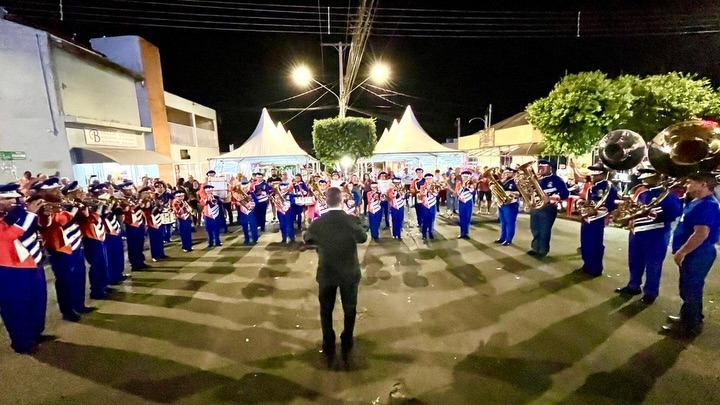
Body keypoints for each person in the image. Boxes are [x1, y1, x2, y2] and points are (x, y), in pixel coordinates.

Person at [303, 186, 368, 367]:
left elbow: (308, 239)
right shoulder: (351, 220)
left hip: (327, 272)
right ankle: (347, 339)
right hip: (349, 272)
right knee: (350, 308)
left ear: (326, 201)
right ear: (341, 200)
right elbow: (363, 237)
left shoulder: (318, 222)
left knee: (326, 309)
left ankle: (328, 341)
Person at [662, 172, 720, 337]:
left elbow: (701, 233)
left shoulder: (707, 205)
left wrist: (682, 251)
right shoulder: (697, 201)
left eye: (690, 182)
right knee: (688, 289)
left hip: (698, 253)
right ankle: (688, 318)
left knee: (691, 289)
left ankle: (690, 326)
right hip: (695, 253)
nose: (686, 185)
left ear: (703, 184)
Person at [615, 168, 682, 304]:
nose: (644, 180)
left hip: (656, 234)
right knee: (634, 261)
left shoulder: (668, 196)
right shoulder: (642, 192)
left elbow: (673, 214)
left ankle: (650, 293)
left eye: (648, 177)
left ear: (659, 177)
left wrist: (650, 212)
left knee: (653, 265)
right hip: (637, 233)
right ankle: (633, 286)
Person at [0, 183, 47, 354]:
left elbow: (39, 228)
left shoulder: (15, 214)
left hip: (32, 263)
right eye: (7, 199)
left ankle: (34, 334)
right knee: (15, 306)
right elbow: (8, 236)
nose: (13, 202)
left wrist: (39, 214)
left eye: (14, 198)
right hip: (8, 268)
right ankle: (21, 342)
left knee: (36, 301)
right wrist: (30, 214)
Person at [576, 163, 619, 277]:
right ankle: (587, 264)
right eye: (593, 175)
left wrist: (597, 211)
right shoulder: (592, 187)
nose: (593, 177)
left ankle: (596, 268)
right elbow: (588, 200)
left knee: (595, 244)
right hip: (587, 218)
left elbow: (611, 205)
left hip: (597, 218)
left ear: (603, 175)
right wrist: (582, 205)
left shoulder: (609, 187)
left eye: (596, 175)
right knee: (585, 243)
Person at [528, 159, 570, 258]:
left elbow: (565, 194)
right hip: (536, 207)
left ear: (550, 168)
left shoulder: (557, 179)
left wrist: (551, 198)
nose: (540, 169)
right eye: (539, 167)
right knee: (534, 228)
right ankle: (535, 248)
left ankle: (543, 250)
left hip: (548, 208)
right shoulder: (536, 180)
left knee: (544, 230)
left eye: (543, 167)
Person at [496, 167, 520, 245]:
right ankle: (502, 237)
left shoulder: (516, 181)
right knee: (503, 222)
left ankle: (509, 239)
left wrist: (514, 193)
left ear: (512, 173)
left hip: (511, 204)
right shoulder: (503, 181)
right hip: (502, 203)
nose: (506, 174)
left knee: (510, 222)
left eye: (508, 173)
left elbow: (520, 192)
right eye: (505, 172)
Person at [455, 171, 475, 239]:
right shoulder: (459, 183)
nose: (465, 178)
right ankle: (462, 233)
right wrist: (462, 187)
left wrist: (469, 187)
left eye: (467, 177)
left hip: (469, 201)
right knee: (462, 217)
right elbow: (457, 192)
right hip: (461, 201)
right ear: (462, 177)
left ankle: (466, 233)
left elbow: (473, 192)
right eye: (464, 177)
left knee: (468, 217)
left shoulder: (471, 183)